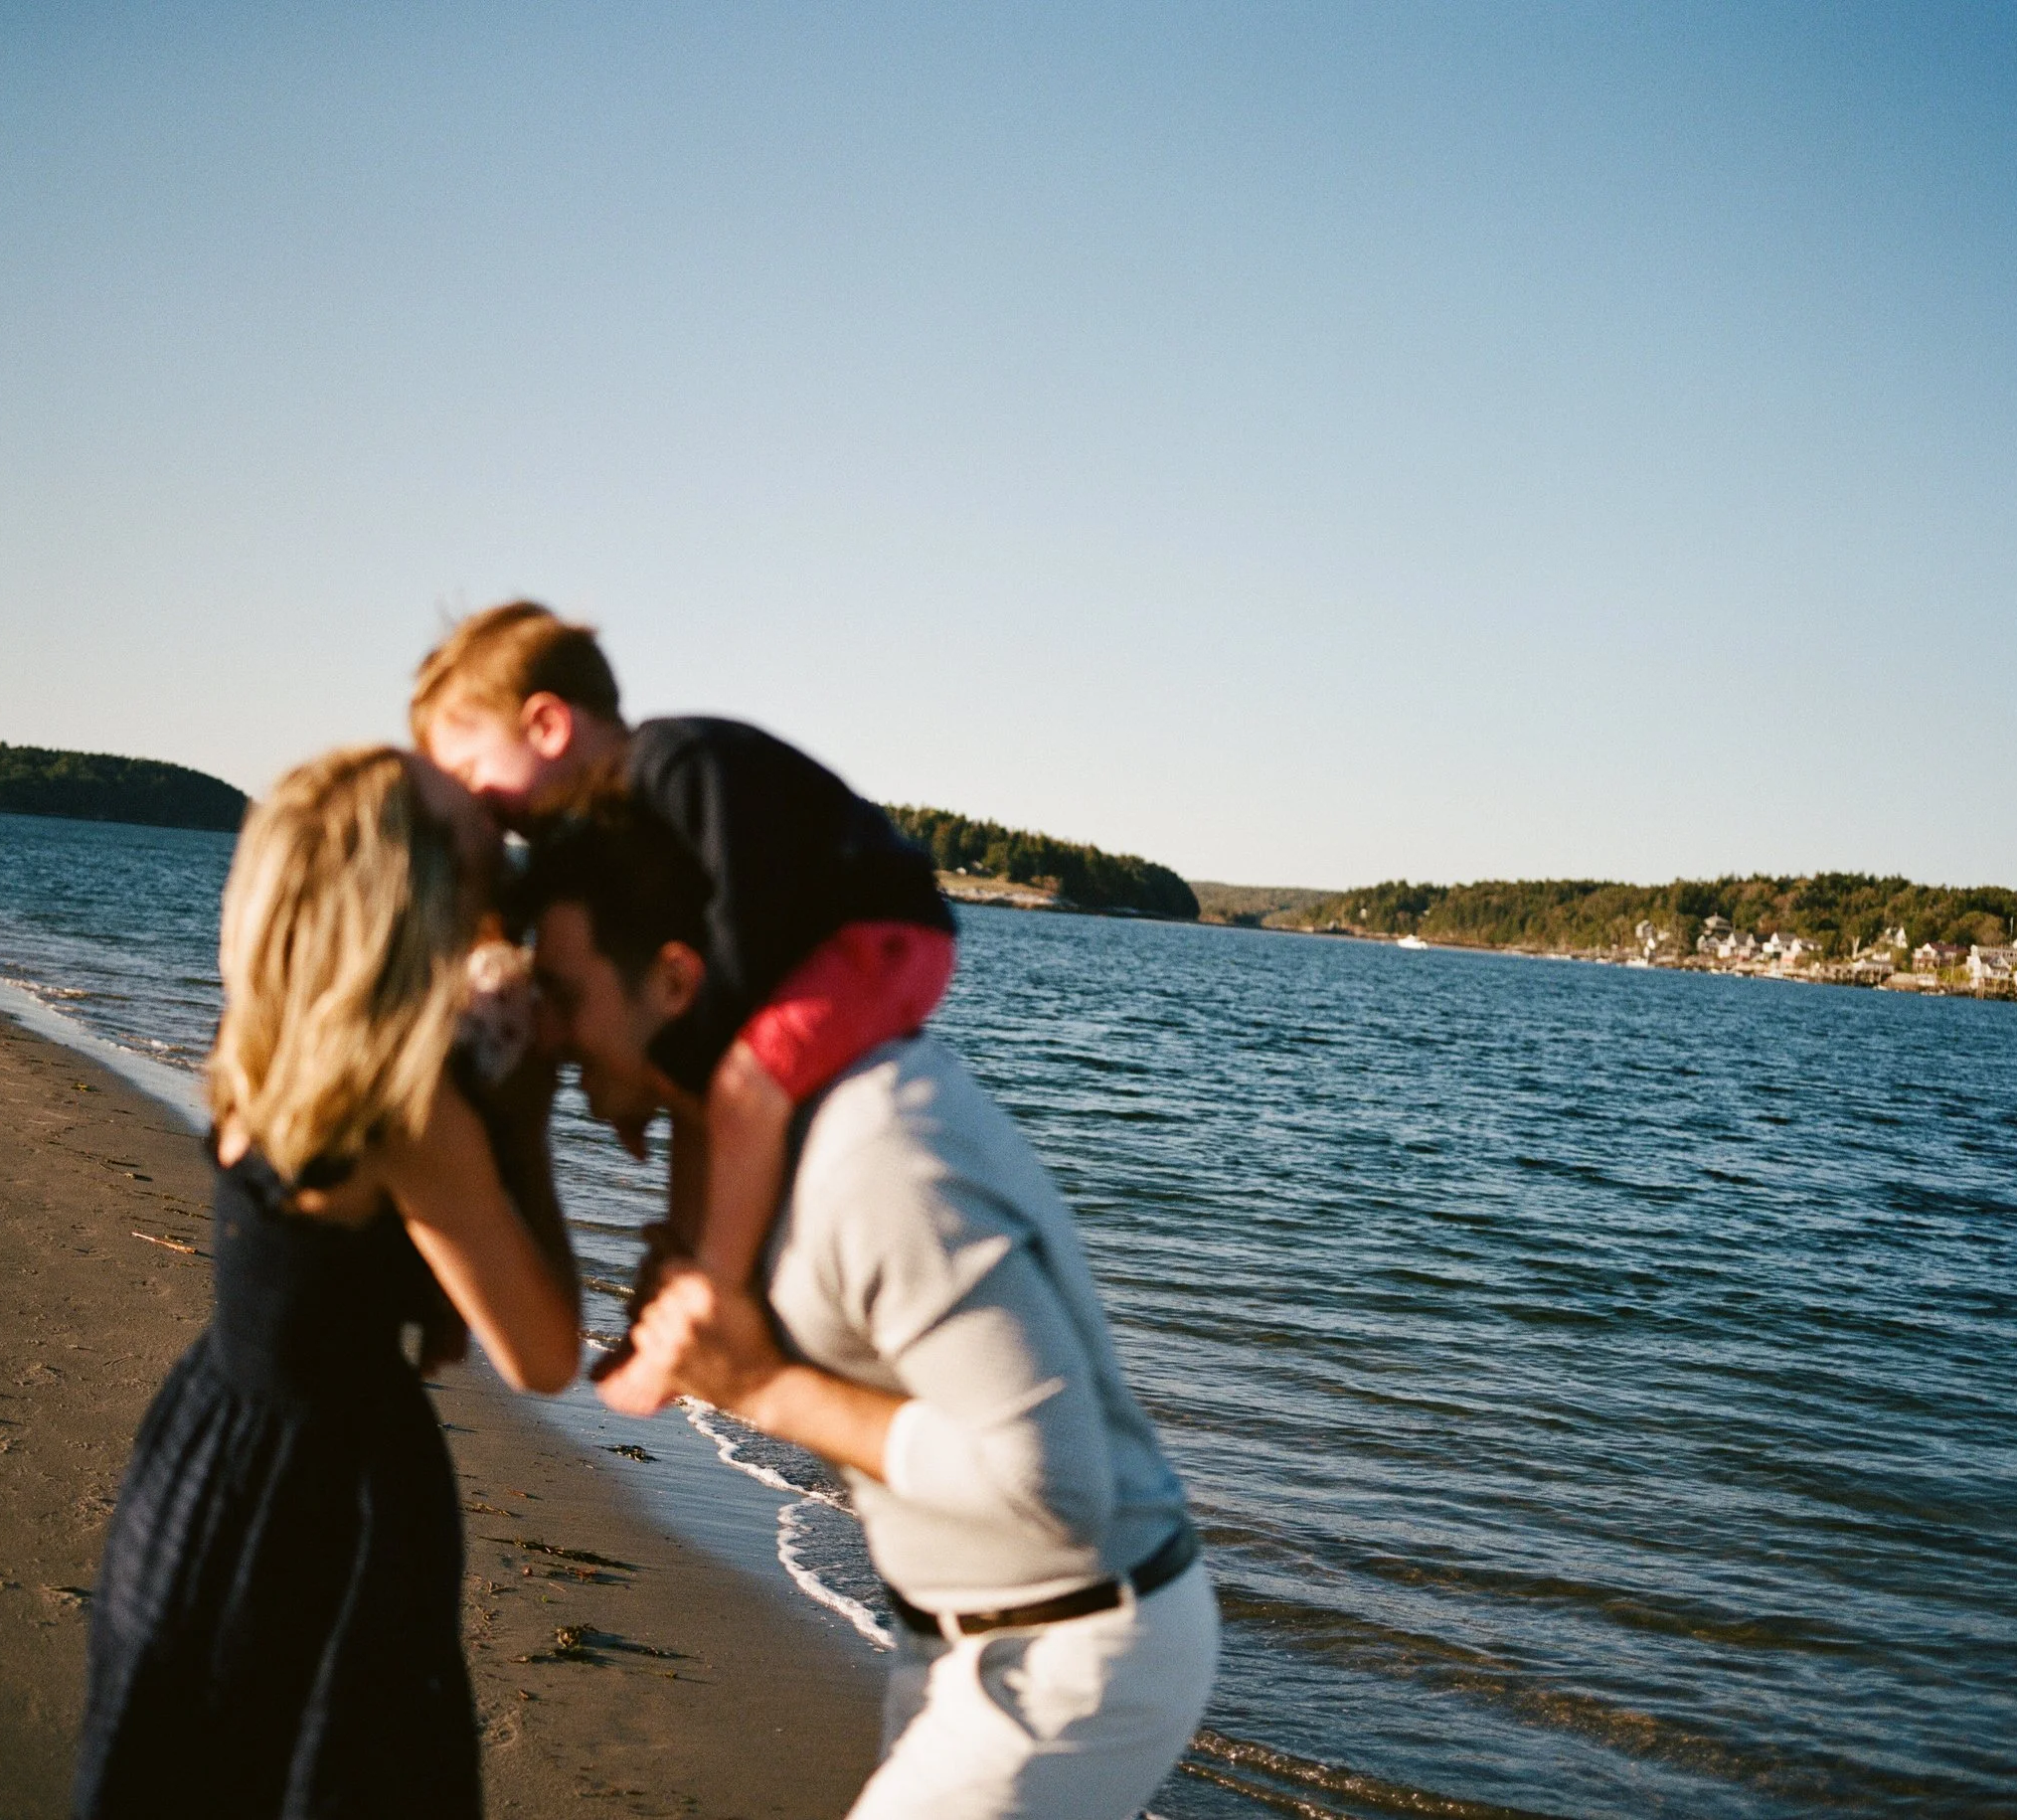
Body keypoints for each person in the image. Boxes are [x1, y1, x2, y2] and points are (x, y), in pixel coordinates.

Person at [520, 805, 1219, 1820]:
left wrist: (763, 1385)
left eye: (562, 994)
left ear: (674, 980)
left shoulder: (878, 1154)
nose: (548, 1031)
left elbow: (1053, 1484)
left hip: (1076, 1655)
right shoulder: (750, 1133)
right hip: (961, 1637)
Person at [75, 746, 582, 1820]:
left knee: (183, 1761)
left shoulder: (261, 1041)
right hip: (330, 1500)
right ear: (412, 890)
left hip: (207, 1445)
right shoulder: (415, 1117)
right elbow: (542, 1355)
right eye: (469, 830)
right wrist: (531, 1109)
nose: (497, 836)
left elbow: (343, 1260)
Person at [411, 600, 956, 1413]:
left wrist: (691, 1056)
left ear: (548, 726)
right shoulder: (592, 824)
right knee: (706, 1089)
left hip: (880, 934)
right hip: (811, 951)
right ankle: (671, 1298)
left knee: (735, 1087)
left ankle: (709, 1305)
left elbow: (740, 905)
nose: (483, 811)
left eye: (473, 780)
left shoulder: (674, 762)